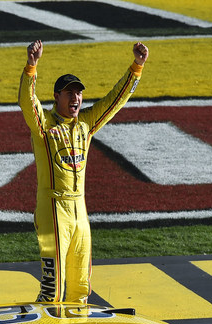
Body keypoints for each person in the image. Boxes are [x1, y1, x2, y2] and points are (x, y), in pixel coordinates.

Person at [19, 39, 149, 305]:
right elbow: (26, 102)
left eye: (78, 93)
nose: (76, 98)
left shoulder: (86, 124)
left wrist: (137, 67)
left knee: (81, 288)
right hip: (52, 208)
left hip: (80, 210)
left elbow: (115, 100)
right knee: (52, 288)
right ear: (57, 97)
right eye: (69, 93)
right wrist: (32, 67)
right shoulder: (44, 126)